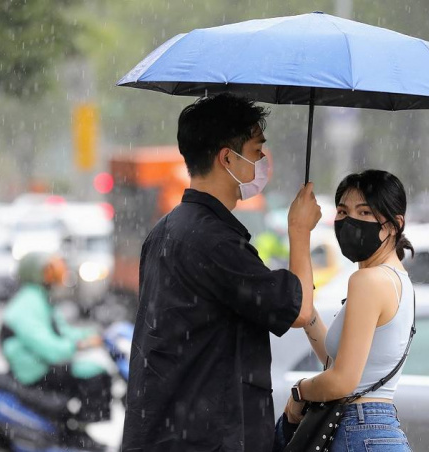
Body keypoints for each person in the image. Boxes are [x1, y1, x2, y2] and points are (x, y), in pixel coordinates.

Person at [122, 94, 322, 452]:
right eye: (256, 149)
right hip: (205, 440)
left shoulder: (166, 230)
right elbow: (300, 310)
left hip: (167, 433)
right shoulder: (214, 242)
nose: (262, 160)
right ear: (227, 158)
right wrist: (300, 230)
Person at [281, 169, 416, 452]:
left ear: (394, 225)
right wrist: (308, 314)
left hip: (359, 429)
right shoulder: (396, 279)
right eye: (343, 211)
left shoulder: (368, 280)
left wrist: (299, 392)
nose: (349, 221)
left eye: (364, 212)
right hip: (375, 430)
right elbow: (339, 361)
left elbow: (342, 381)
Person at [0, 252, 108, 394]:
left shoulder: (41, 298)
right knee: (95, 376)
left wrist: (92, 334)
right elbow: (48, 348)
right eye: (51, 272)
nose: (59, 277)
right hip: (34, 373)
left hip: (42, 366)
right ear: (37, 274)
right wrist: (80, 344)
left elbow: (62, 331)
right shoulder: (28, 304)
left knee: (94, 371)